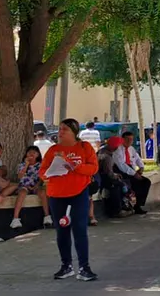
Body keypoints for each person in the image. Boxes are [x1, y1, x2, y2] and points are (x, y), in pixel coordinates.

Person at [39, 118, 99, 281]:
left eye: (64, 129)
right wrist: (48, 174)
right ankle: (66, 266)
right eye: (60, 129)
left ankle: (84, 268)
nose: (60, 132)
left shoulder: (84, 147)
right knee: (62, 231)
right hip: (57, 194)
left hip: (78, 192)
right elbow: (43, 170)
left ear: (74, 132)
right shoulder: (53, 150)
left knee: (79, 229)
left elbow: (93, 168)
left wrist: (75, 166)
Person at [11, 145, 53, 230]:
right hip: (24, 185)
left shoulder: (40, 165)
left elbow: (42, 177)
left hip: (36, 185)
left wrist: (37, 185)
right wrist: (26, 164)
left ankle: (47, 216)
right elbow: (20, 176)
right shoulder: (22, 165)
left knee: (42, 193)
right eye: (29, 152)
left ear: (38, 155)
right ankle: (15, 218)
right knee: (22, 193)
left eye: (34, 152)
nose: (31, 154)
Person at [112, 131, 150, 215]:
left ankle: (138, 205)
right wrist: (134, 174)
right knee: (136, 182)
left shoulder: (131, 149)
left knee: (146, 182)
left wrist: (141, 167)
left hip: (131, 169)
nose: (129, 141)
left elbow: (137, 158)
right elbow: (121, 165)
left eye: (131, 140)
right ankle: (131, 205)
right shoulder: (118, 149)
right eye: (127, 139)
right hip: (122, 171)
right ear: (123, 139)